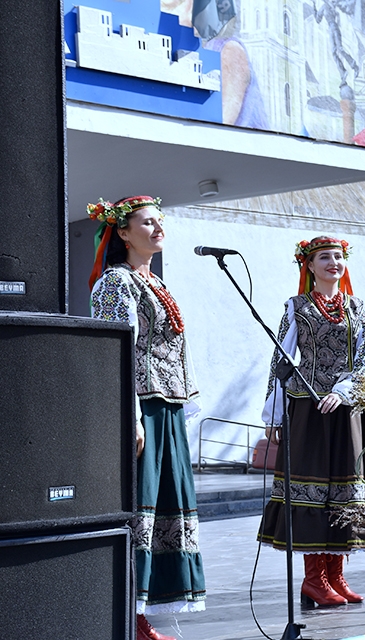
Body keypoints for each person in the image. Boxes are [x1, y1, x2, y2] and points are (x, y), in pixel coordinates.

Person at [88, 196, 205, 640]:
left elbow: (176, 349)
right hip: (143, 407)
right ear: (122, 233)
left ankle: (145, 615)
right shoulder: (116, 283)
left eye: (161, 221)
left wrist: (185, 403)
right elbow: (116, 351)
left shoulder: (155, 283)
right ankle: (129, 618)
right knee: (143, 508)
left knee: (167, 508)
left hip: (168, 406)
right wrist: (131, 414)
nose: (158, 228)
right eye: (147, 222)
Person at [257, 236, 365, 607]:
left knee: (344, 490)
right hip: (308, 410)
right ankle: (314, 579)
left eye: (338, 256)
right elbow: (280, 360)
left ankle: (336, 575)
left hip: (347, 409)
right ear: (309, 266)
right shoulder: (296, 306)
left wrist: (344, 392)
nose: (334, 262)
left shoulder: (357, 307)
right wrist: (274, 413)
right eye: (324, 257)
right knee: (314, 489)